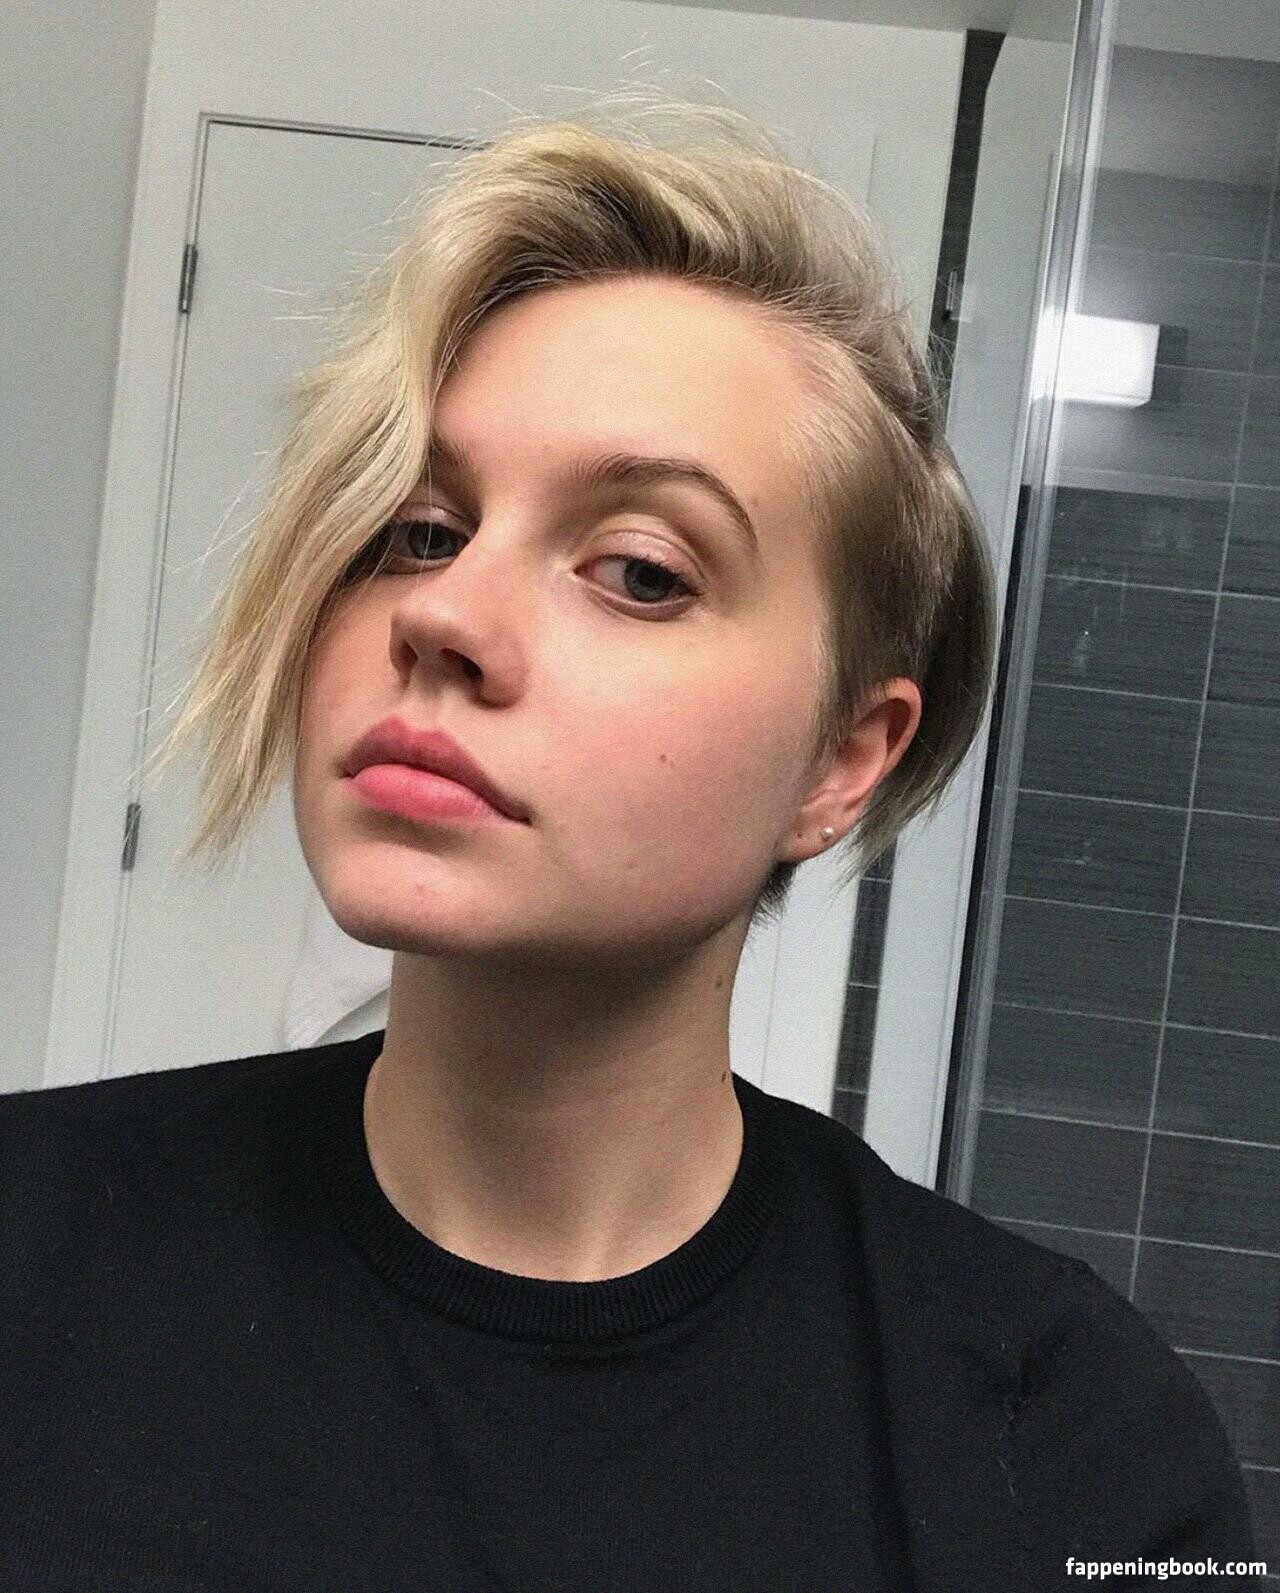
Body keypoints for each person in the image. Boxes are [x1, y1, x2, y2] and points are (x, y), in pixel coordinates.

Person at [1, 91, 1260, 1591]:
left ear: (843, 759)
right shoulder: (31, 1245)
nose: (443, 613)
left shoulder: (1064, 1442)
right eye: (419, 529)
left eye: (643, 570)